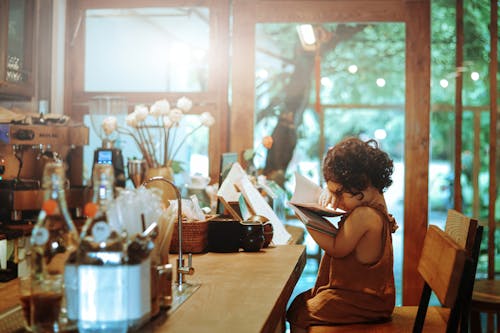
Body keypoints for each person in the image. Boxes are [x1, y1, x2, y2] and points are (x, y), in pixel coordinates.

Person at [286, 137, 399, 332]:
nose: (336, 201)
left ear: (361, 183)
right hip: (366, 297)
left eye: (339, 193)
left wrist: (305, 215)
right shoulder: (374, 204)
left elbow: (336, 248)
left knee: (300, 312)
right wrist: (334, 191)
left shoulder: (364, 216)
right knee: (300, 302)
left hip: (363, 302)